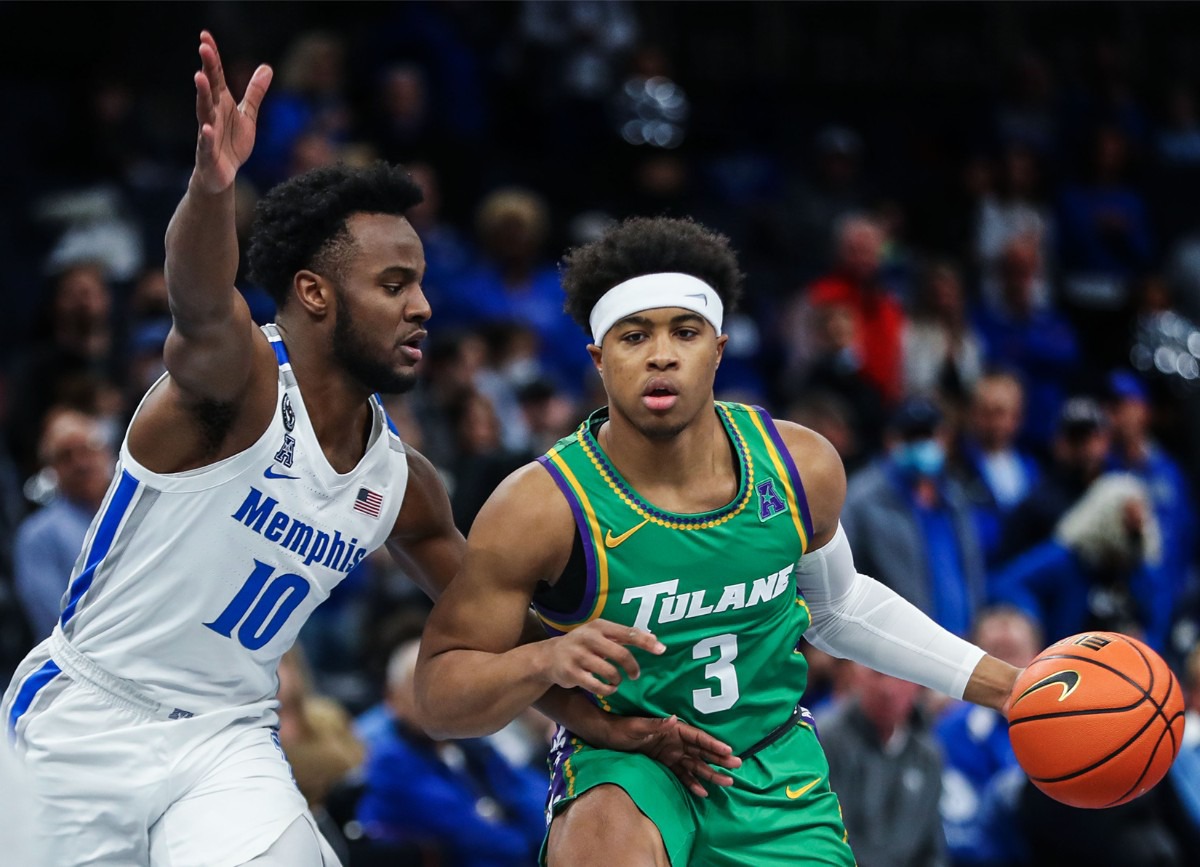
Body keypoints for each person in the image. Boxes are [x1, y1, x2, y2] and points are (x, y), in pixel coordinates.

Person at [1, 33, 723, 867]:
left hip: (224, 740)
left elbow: (492, 622)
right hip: (90, 717)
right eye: (392, 285)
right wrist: (210, 189)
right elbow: (199, 301)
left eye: (419, 283)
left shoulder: (401, 484)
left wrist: (610, 702)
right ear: (313, 293)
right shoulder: (236, 387)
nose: (421, 307)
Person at [413, 215, 1021, 866]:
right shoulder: (541, 506)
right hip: (626, 760)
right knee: (601, 838)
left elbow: (838, 609)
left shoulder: (799, 465)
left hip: (769, 761)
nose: (662, 354)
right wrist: (543, 659)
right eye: (634, 334)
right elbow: (440, 694)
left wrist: (1009, 686)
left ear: (719, 347)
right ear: (598, 356)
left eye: (685, 330)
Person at [355, 638, 547, 866]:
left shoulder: (471, 745)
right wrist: (531, 844)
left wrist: (545, 837)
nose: (432, 697)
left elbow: (533, 797)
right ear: (393, 699)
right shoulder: (391, 763)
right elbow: (467, 832)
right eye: (417, 687)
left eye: (440, 686)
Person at [820, 661, 948, 867]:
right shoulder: (826, 740)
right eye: (878, 674)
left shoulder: (929, 755)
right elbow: (824, 836)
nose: (888, 689)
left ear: (918, 685)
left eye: (899, 676)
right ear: (858, 677)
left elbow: (931, 847)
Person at [13, 407, 115, 640]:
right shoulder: (36, 536)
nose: (80, 464)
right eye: (65, 456)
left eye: (86, 450)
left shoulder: (135, 513)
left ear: (106, 451)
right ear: (51, 468)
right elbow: (56, 623)